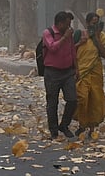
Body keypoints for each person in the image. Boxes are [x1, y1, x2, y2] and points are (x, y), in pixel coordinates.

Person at [73, 12, 105, 138]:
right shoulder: (79, 35)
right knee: (82, 98)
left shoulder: (103, 37)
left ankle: (91, 128)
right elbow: (71, 51)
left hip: (95, 72)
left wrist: (96, 38)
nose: (95, 25)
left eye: (97, 22)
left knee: (94, 100)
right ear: (87, 23)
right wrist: (80, 42)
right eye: (93, 23)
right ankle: (82, 125)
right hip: (82, 72)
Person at [42, 11, 79, 139]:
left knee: (72, 99)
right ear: (59, 24)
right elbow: (52, 47)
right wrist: (64, 38)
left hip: (68, 71)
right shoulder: (48, 33)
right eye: (67, 24)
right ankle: (53, 130)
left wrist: (76, 68)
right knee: (52, 102)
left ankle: (64, 125)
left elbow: (72, 50)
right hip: (52, 72)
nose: (69, 27)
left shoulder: (69, 34)